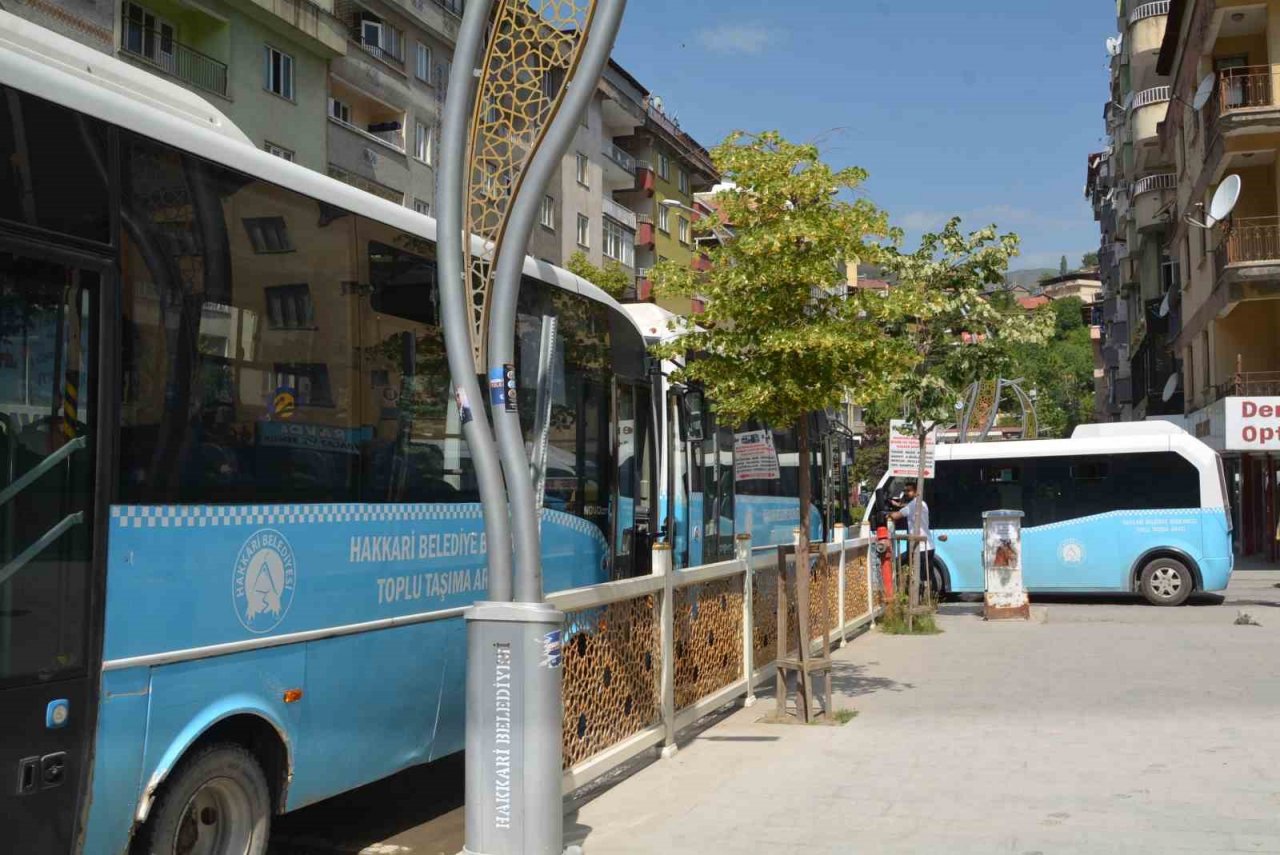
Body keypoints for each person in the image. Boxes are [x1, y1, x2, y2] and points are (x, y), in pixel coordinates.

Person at [887, 482, 934, 594]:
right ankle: (928, 596)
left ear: (917, 492)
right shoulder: (922, 503)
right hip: (929, 545)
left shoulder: (913, 505)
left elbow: (896, 516)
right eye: (905, 490)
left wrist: (887, 514)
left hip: (920, 547)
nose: (906, 493)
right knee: (927, 575)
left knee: (919, 574)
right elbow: (907, 507)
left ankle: (919, 596)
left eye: (909, 491)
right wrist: (899, 505)